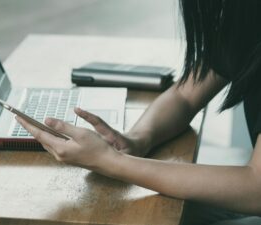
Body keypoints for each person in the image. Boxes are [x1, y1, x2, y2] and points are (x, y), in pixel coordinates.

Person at [16, 0, 261, 224]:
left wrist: (111, 161)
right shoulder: (245, 17)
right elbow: (184, 96)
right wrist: (137, 139)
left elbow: (255, 188)